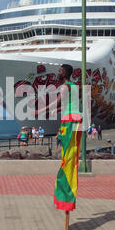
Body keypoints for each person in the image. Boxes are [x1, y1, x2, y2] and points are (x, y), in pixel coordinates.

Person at [35, 64, 82, 212]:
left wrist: (40, 111)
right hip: (76, 121)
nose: (58, 73)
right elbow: (69, 105)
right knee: (71, 157)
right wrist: (53, 111)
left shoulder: (64, 87)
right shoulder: (74, 86)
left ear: (65, 73)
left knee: (66, 159)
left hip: (68, 122)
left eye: (60, 71)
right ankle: (68, 195)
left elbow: (58, 102)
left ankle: (65, 196)